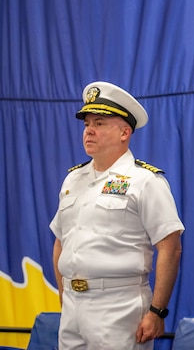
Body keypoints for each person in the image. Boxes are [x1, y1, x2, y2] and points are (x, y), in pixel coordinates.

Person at [50, 81, 185, 349]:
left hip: (118, 305)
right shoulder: (72, 180)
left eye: (99, 123)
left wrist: (157, 311)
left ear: (125, 132)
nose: (89, 130)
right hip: (73, 307)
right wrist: (65, 297)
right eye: (87, 124)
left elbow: (170, 247)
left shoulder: (144, 180)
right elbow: (60, 242)